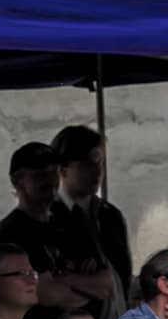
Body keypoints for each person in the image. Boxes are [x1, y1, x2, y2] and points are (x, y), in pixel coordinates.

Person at [0, 142, 117, 319]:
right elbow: (45, 293)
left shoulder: (71, 219)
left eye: (53, 172)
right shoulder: (13, 230)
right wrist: (83, 285)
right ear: (18, 181)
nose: (50, 180)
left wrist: (65, 280)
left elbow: (107, 284)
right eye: (39, 174)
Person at [51, 125, 132, 300]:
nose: (97, 171)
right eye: (86, 164)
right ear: (62, 169)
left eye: (99, 163)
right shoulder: (47, 218)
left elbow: (122, 274)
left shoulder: (110, 215)